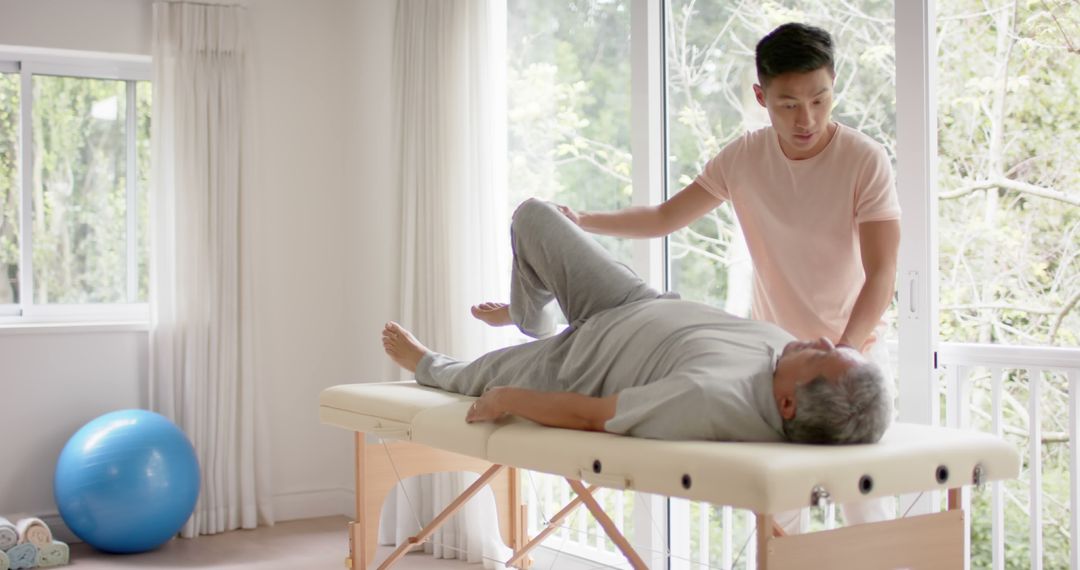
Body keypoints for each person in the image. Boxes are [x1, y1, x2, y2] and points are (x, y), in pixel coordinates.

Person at [535, 21, 901, 525]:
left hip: (853, 355)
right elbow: (664, 217)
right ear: (760, 96)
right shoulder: (744, 157)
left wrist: (844, 350)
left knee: (867, 506)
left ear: (834, 86)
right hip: (777, 362)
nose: (807, 119)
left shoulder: (864, 159)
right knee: (780, 511)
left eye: (820, 99)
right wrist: (581, 221)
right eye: (788, 104)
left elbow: (882, 273)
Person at [384, 198, 892, 445]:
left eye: (824, 355)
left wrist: (508, 398)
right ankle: (529, 315)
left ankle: (425, 362)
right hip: (629, 300)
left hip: (580, 363)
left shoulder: (712, 400)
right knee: (533, 216)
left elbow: (594, 415)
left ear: (787, 402)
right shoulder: (786, 355)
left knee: (471, 376)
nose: (824, 338)